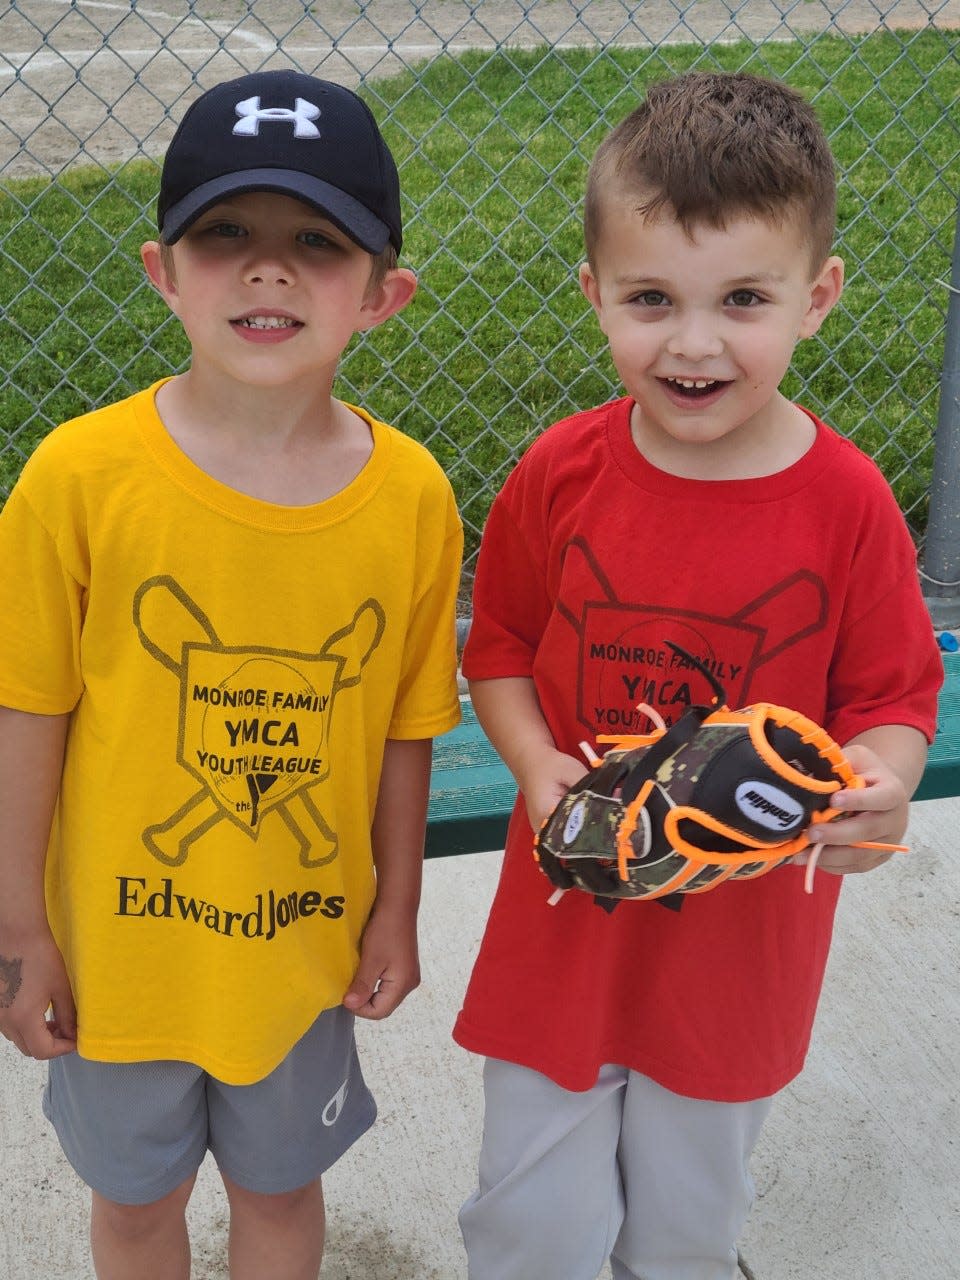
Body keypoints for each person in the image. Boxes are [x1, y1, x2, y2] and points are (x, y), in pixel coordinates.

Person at [454, 71, 942, 1280]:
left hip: (738, 953)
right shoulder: (559, 473)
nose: (693, 341)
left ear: (816, 297)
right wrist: (533, 766)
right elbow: (501, 645)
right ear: (595, 293)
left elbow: (893, 695)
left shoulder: (847, 502)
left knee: (683, 1231)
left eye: (743, 299)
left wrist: (879, 790)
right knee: (529, 1230)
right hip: (569, 920)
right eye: (651, 298)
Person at [0, 69, 462, 1279]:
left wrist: (398, 904)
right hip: (119, 957)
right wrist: (18, 929)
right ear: (163, 271)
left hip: (298, 955)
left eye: (317, 240)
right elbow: (29, 706)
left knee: (278, 1185)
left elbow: (410, 721)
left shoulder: (411, 495)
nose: (268, 269)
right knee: (138, 1204)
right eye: (226, 235)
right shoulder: (79, 478)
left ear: (383, 295)